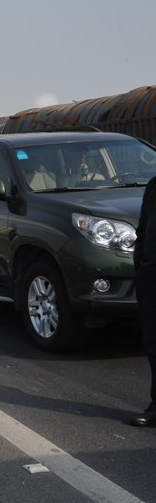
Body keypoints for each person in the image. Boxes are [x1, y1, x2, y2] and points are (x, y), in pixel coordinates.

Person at [132, 175, 156, 426]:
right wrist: (140, 266)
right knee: (153, 342)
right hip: (150, 276)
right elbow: (142, 228)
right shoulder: (154, 185)